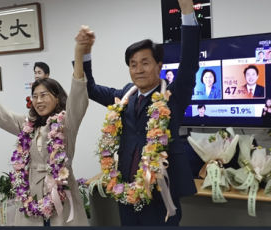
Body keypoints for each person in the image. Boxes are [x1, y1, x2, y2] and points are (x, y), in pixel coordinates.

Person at [77, 0, 199, 226]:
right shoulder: (124, 96)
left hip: (161, 192)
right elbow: (90, 88)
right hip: (126, 191)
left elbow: (190, 63)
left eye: (145, 62)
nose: (138, 69)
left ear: (159, 65)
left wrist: (187, 12)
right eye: (133, 64)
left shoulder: (172, 96)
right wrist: (84, 54)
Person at [0, 28, 90, 226]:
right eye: (35, 96)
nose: (38, 101)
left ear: (57, 98)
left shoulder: (66, 123)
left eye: (44, 95)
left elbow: (77, 99)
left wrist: (79, 53)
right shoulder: (28, 126)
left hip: (61, 193)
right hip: (31, 191)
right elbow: (3, 116)